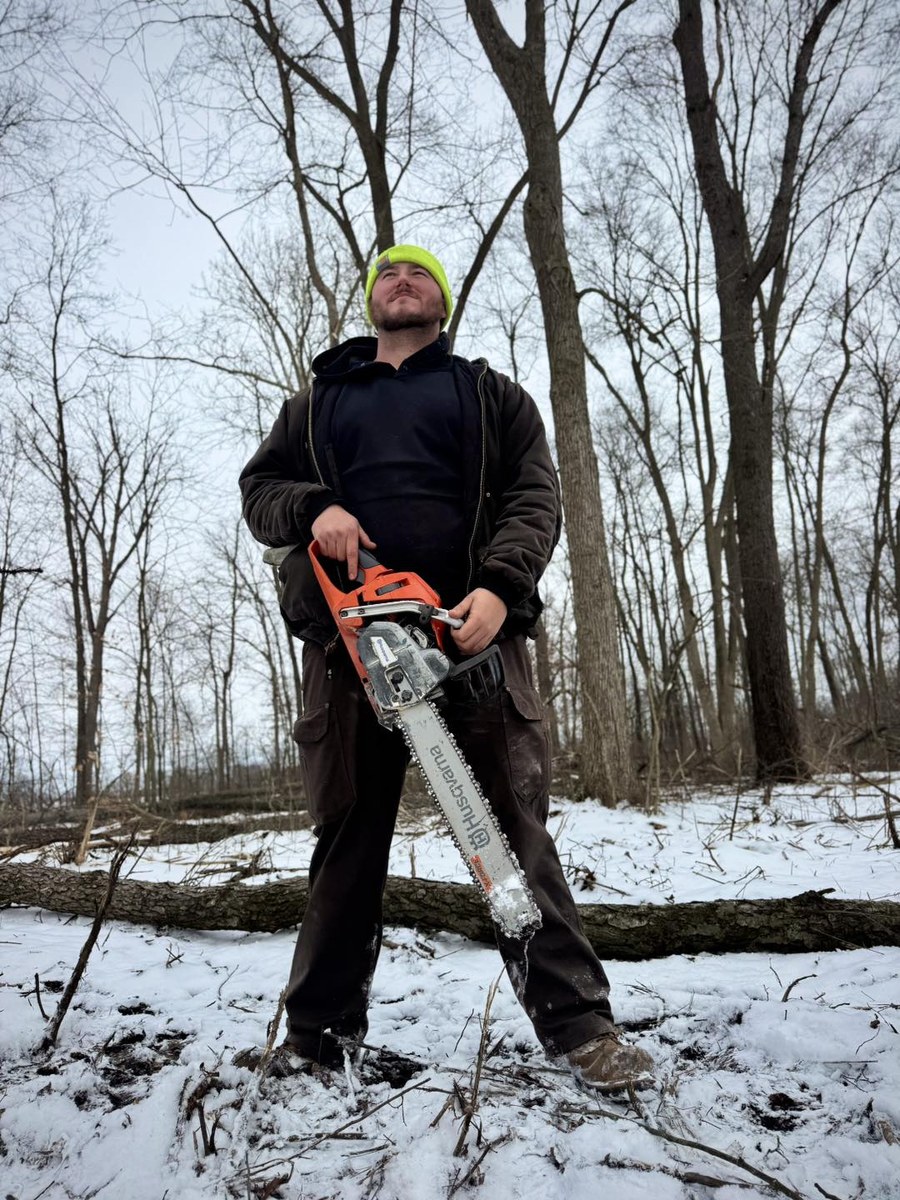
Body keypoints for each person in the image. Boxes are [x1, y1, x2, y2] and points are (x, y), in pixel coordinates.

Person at [239, 244, 654, 1092]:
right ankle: (317, 1037)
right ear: (369, 298)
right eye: (387, 272)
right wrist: (315, 506)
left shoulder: (486, 394)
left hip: (468, 640)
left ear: (443, 300)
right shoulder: (318, 402)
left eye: (419, 272)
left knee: (511, 834)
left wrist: (500, 591)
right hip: (346, 649)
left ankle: (579, 1029)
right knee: (346, 846)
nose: (401, 279)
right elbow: (261, 491)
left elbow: (538, 495)